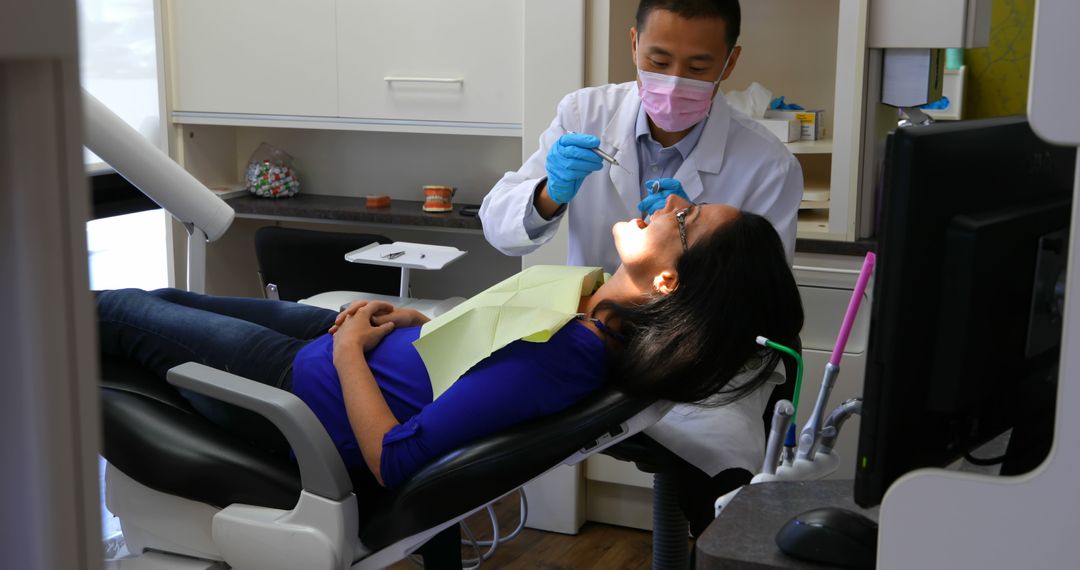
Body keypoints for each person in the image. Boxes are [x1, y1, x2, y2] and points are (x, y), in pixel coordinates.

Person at [98, 200, 802, 499]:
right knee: (151, 299)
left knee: (116, 315)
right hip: (337, 342)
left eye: (683, 217)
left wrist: (349, 354)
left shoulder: (565, 356)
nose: (669, 201)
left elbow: (397, 459)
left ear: (668, 277)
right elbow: (477, 344)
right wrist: (411, 321)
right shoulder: (589, 304)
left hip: (297, 389)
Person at [479, 0, 804, 483]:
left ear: (730, 62)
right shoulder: (584, 114)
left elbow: (751, 301)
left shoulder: (768, 164)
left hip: (695, 357)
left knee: (721, 474)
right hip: (587, 338)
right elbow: (500, 228)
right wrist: (551, 192)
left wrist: (695, 241)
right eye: (657, 61)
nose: (674, 82)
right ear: (633, 44)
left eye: (697, 67)